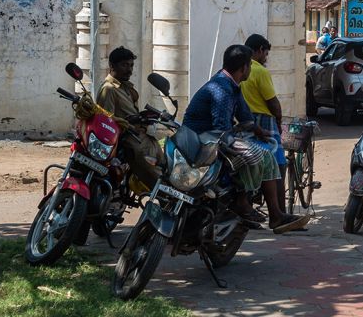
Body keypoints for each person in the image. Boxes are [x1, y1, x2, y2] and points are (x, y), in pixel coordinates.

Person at [183, 44, 309, 234]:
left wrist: (259, 131)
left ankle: (276, 215)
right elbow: (221, 127)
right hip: (204, 141)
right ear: (244, 68)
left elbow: (245, 115)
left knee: (268, 154)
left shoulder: (232, 85)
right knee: (257, 155)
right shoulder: (222, 89)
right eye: (249, 65)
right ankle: (243, 201)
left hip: (215, 138)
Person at [96, 46, 162, 190]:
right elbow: (105, 120)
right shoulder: (109, 89)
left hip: (143, 137)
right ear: (112, 66)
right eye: (124, 65)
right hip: (130, 141)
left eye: (131, 65)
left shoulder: (126, 88)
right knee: (158, 179)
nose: (129, 70)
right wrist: (129, 122)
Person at [240, 33, 287, 207]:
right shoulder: (259, 71)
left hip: (244, 121)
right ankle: (280, 211)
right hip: (264, 121)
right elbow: (273, 102)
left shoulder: (239, 69)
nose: (266, 58)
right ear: (260, 50)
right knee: (278, 167)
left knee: (250, 164)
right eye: (266, 54)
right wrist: (279, 121)